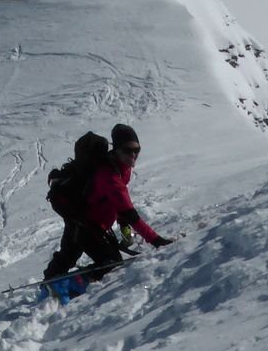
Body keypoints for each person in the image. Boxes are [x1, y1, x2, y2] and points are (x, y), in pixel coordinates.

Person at [42, 123, 173, 296]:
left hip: (80, 221)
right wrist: (156, 240)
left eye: (137, 150)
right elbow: (129, 212)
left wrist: (124, 227)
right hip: (86, 225)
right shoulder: (109, 175)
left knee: (68, 255)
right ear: (116, 149)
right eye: (128, 150)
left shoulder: (122, 168)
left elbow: (117, 203)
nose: (133, 155)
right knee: (111, 262)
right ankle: (67, 287)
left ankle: (48, 286)